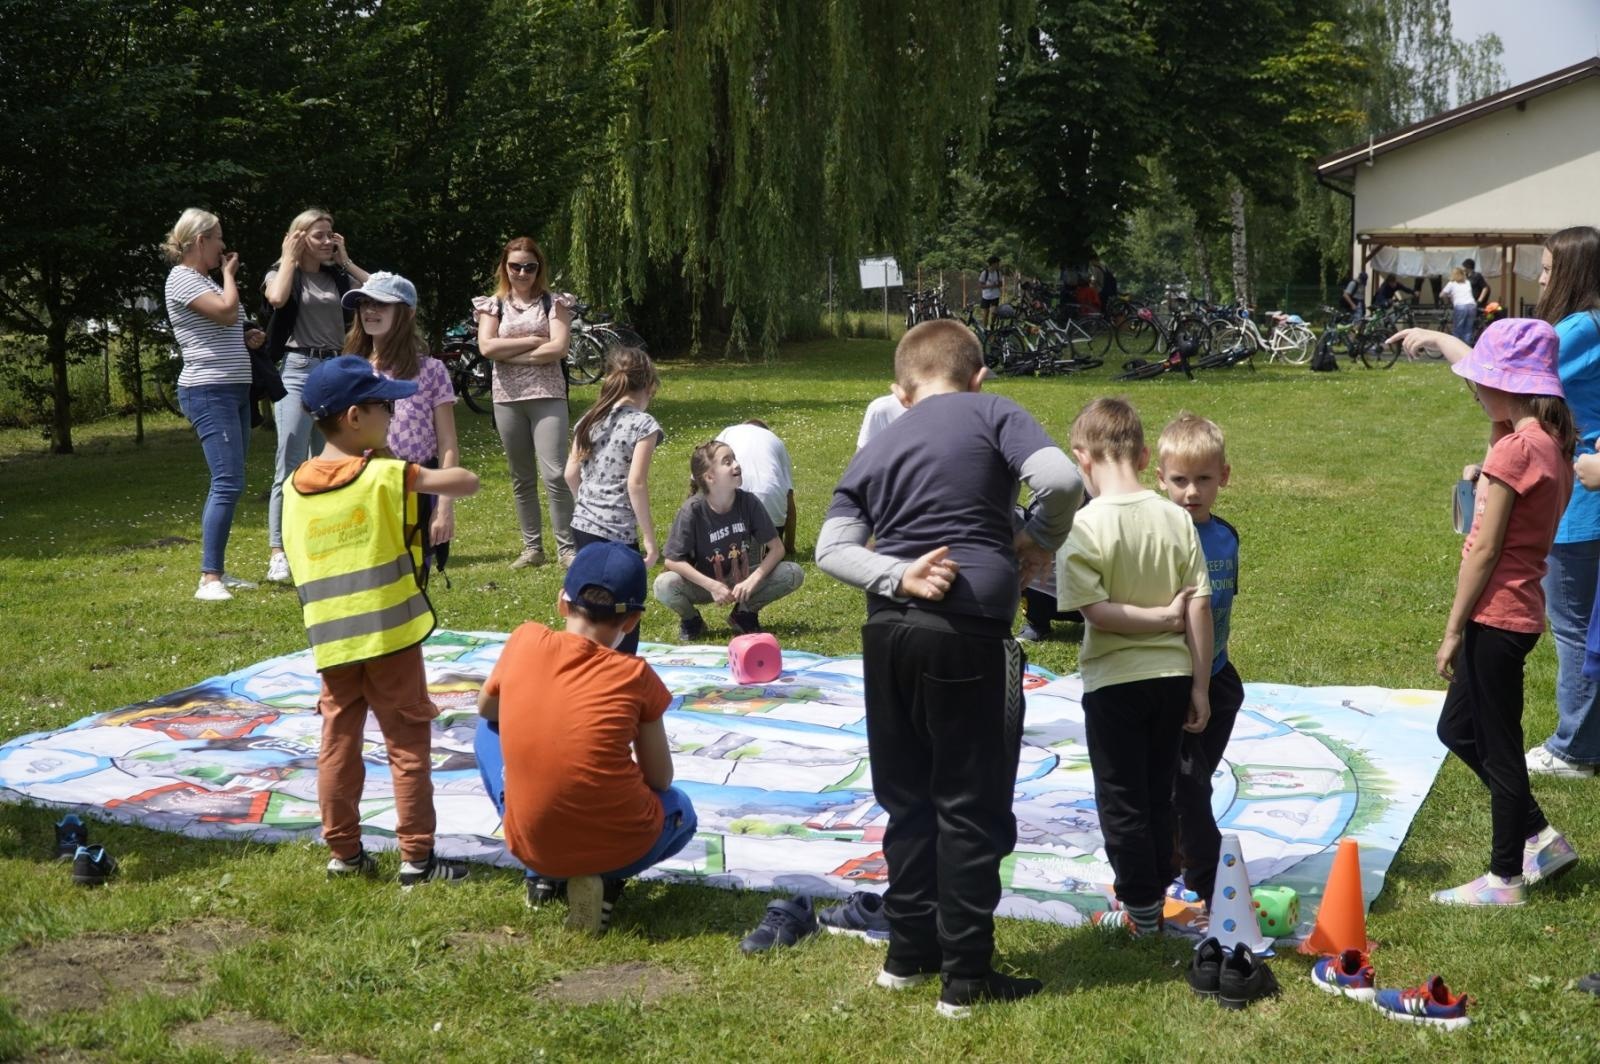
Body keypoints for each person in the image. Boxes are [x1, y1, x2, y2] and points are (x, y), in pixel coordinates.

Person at [816, 319, 1082, 1018]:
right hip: (967, 637)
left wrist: (898, 573)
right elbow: (1060, 477)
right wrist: (1035, 538)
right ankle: (966, 977)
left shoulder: (880, 442)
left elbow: (830, 548)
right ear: (978, 376)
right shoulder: (993, 410)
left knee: (908, 797)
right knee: (969, 803)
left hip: (887, 635)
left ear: (902, 393)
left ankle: (908, 955)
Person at [1393, 319, 1580, 905]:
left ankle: (1505, 879)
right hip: (1518, 614)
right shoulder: (1547, 444)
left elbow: (1485, 550)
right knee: (1456, 729)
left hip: (1495, 616)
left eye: (1482, 381)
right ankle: (1540, 836)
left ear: (1508, 386)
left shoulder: (1515, 450)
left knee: (1500, 748)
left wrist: (1451, 630)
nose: (1474, 390)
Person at [280, 355, 481, 888]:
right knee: (407, 743)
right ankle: (417, 859)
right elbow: (465, 480)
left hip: (331, 640)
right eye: (384, 406)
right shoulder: (385, 475)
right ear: (353, 417)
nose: (393, 414)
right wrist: (389, 456)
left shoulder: (294, 489)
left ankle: (343, 854)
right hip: (390, 636)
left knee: (338, 741)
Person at [474, 541, 697, 933]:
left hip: (533, 844)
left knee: (487, 729)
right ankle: (607, 881)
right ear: (632, 622)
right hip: (622, 845)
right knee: (681, 809)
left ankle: (542, 875)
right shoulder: (636, 676)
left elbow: (487, 711)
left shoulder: (526, 639)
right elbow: (660, 779)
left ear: (563, 602)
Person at [1056, 397, 1212, 937]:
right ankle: (1156, 886)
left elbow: (1094, 611)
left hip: (1114, 684)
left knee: (1121, 796)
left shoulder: (1082, 526)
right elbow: (1199, 604)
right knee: (1157, 790)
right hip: (1172, 681)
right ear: (1144, 456)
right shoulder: (1175, 516)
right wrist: (1200, 684)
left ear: (1083, 458)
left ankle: (1142, 910)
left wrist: (1154, 618)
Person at [1155, 413, 1243, 909]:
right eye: (1180, 480)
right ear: (1160, 480)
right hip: (1177, 680)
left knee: (1194, 779)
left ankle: (1174, 853)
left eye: (1204, 479)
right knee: (1186, 783)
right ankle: (1208, 881)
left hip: (1218, 676)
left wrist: (1211, 680)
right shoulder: (1163, 537)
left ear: (1223, 477)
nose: (1192, 491)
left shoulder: (1226, 535)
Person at [261, 208, 369, 585]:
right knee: (289, 461)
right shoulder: (281, 273)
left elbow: (378, 292)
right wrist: (290, 257)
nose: (328, 241)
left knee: (334, 460)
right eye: (320, 235)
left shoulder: (336, 276)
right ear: (299, 237)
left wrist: (347, 261)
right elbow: (276, 298)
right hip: (296, 369)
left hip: (333, 370)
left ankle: (330, 544)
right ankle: (279, 552)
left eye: (331, 235)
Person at [163, 208, 265, 602]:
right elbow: (224, 313)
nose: (224, 245)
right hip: (208, 391)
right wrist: (228, 276)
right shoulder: (182, 279)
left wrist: (249, 336)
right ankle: (209, 579)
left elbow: (228, 325)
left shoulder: (200, 281)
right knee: (227, 482)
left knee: (233, 481)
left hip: (234, 389)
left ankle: (218, 569)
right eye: (219, 237)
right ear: (200, 240)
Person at [1533, 226, 1600, 778]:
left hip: (1583, 504)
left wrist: (1443, 344)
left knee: (1573, 627)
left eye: (1549, 269)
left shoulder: (1576, 328)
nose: (1540, 278)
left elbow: (1519, 383)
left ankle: (1574, 749)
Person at [344, 272, 459, 581]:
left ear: (406, 313)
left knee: (413, 583)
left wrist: (444, 505)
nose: (370, 311)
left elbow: (448, 443)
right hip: (363, 489)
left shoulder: (432, 371)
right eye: (365, 303)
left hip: (417, 489)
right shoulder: (351, 369)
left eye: (381, 304)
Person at [474, 236, 578, 569]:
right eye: (515, 266)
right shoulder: (494, 305)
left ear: (539, 268)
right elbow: (487, 348)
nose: (522, 272)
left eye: (529, 267)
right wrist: (535, 341)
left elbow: (559, 347)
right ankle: (532, 548)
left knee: (556, 473)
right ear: (505, 267)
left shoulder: (554, 302)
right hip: (507, 398)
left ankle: (567, 549)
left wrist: (513, 353)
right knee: (521, 476)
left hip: (547, 394)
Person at [565, 347, 663, 655]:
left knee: (586, 606)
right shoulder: (643, 424)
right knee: (623, 611)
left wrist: (587, 506)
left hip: (583, 526)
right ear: (648, 386)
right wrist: (649, 539)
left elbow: (569, 473)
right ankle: (619, 678)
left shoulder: (589, 419)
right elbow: (636, 483)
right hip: (618, 532)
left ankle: (580, 667)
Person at [655, 440, 805, 639]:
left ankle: (744, 613)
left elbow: (777, 549)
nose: (736, 465)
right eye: (727, 462)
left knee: (793, 573)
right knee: (663, 585)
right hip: (704, 585)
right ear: (710, 477)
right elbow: (672, 560)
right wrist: (713, 586)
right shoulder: (692, 510)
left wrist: (752, 580)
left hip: (741, 579)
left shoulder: (749, 502)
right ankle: (692, 621)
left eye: (734, 458)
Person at [716, 419, 796, 555]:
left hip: (729, 520)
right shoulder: (776, 441)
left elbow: (698, 478)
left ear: (744, 425)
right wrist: (789, 548)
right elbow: (789, 501)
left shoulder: (728, 432)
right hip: (770, 516)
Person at [1442, 267, 1478, 344]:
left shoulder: (1451, 283)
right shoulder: (1467, 282)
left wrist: (1447, 300)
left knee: (1457, 329)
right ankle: (1466, 350)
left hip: (1460, 306)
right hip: (1471, 306)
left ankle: (1456, 349)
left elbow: (1442, 294)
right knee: (1468, 330)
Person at [978, 255, 1003, 329]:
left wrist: (997, 285)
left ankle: (992, 325)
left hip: (995, 295)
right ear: (993, 264)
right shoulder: (984, 273)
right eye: (997, 263)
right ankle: (984, 329)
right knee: (986, 314)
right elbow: (981, 285)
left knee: (994, 313)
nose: (998, 265)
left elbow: (1001, 284)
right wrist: (990, 286)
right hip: (986, 296)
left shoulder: (998, 273)